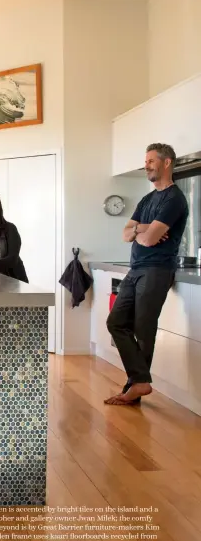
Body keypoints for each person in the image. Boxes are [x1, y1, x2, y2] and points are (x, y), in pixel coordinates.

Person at [105, 143, 189, 406]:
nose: (147, 166)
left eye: (151, 161)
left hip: (157, 269)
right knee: (116, 322)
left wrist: (140, 232)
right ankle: (140, 381)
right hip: (136, 269)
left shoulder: (175, 199)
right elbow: (125, 233)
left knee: (143, 328)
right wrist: (143, 228)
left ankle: (135, 386)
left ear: (166, 163)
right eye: (146, 161)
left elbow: (150, 240)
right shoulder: (147, 199)